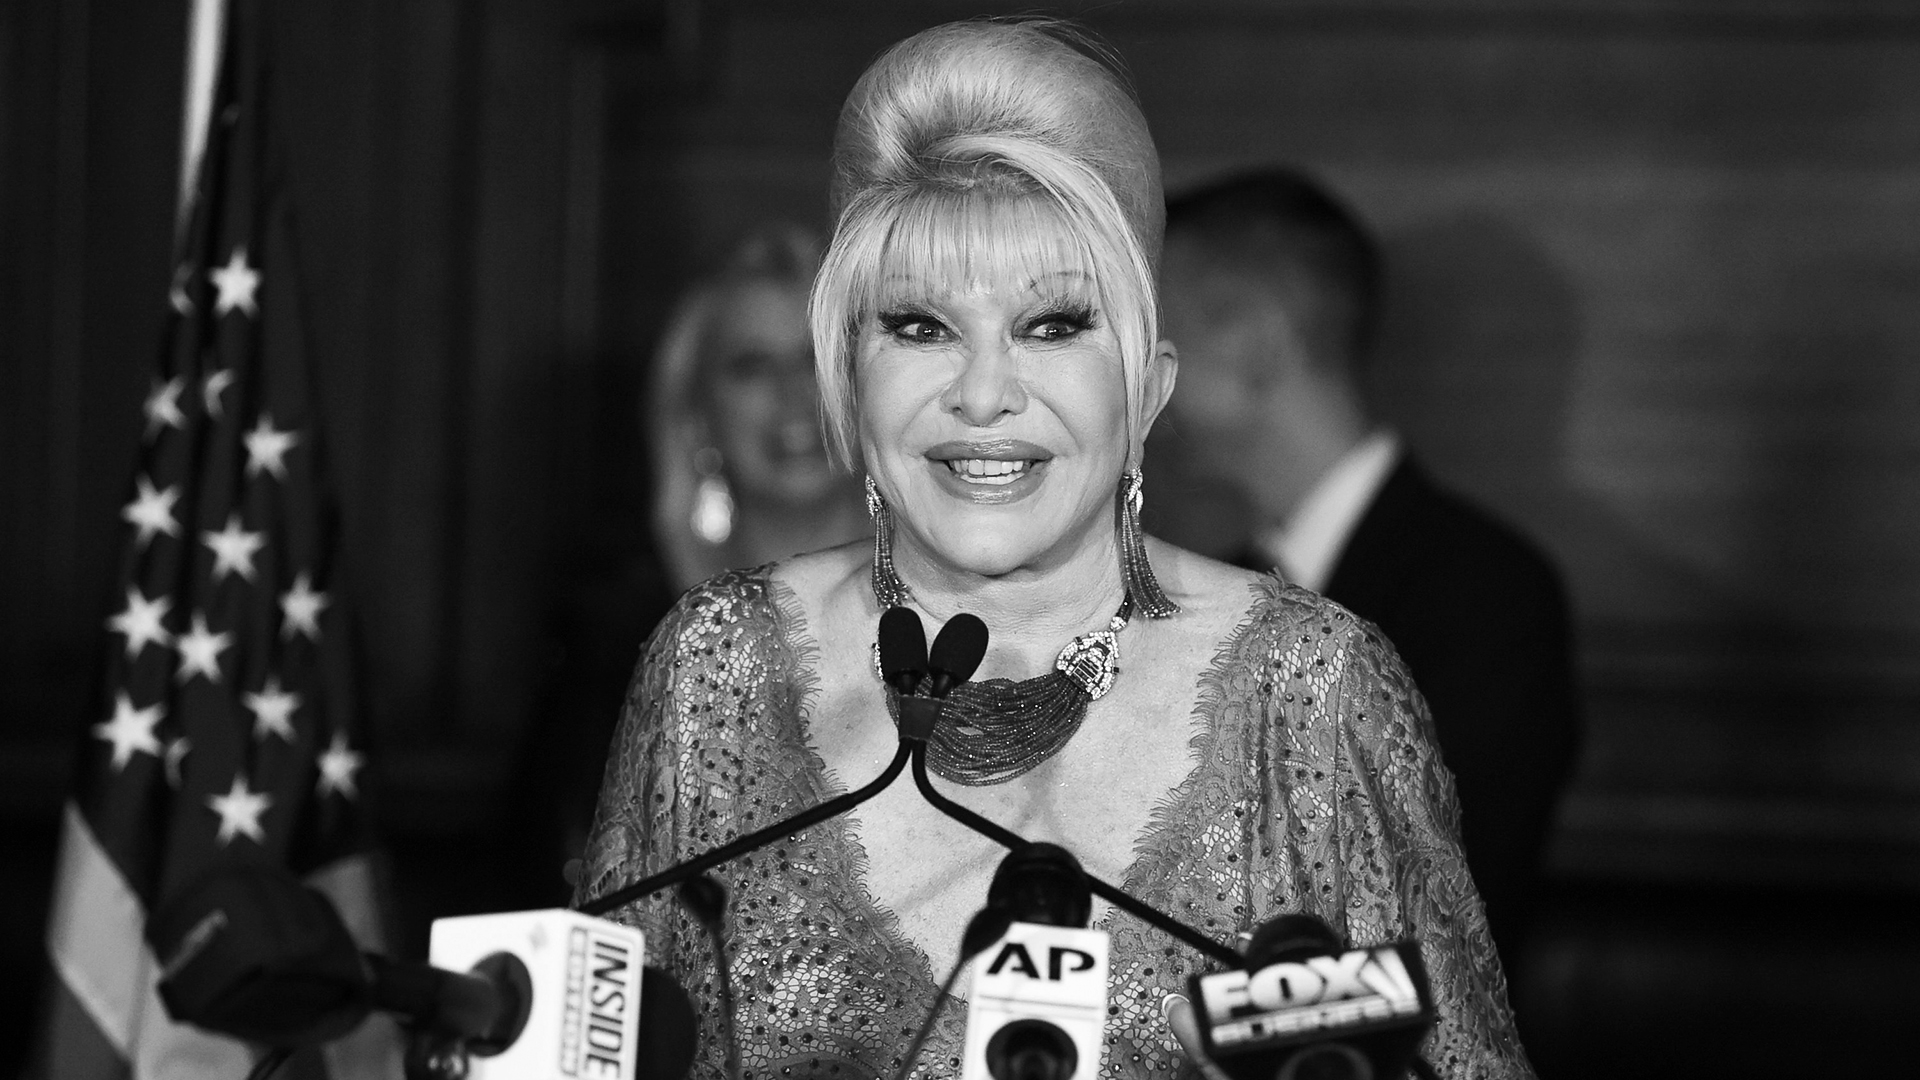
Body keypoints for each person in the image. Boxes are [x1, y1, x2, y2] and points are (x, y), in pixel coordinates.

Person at [577, 20, 1533, 1079]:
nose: (984, 393)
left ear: (1149, 386)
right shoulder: (717, 664)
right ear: (848, 374)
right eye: (920, 326)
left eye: (1053, 326)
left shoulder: (1311, 688)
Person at [1156, 168, 1580, 976]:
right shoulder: (1212, 593)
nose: (1137, 384)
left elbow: (1435, 937)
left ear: (1252, 340)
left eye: (1154, 337)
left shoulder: (1486, 595)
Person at [649, 225, 869, 590]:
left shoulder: (959, 594)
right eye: (752, 368)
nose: (793, 394)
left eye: (816, 360)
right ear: (697, 416)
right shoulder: (624, 613)